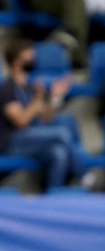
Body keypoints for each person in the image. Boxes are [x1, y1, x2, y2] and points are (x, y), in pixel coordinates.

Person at [0, 39, 76, 189]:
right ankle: (85, 176)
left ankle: (53, 199)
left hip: (31, 139)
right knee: (61, 133)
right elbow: (21, 121)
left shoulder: (29, 87)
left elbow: (47, 119)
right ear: (17, 62)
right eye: (29, 57)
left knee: (58, 153)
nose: (34, 60)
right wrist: (36, 102)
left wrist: (55, 97)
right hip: (12, 142)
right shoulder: (7, 88)